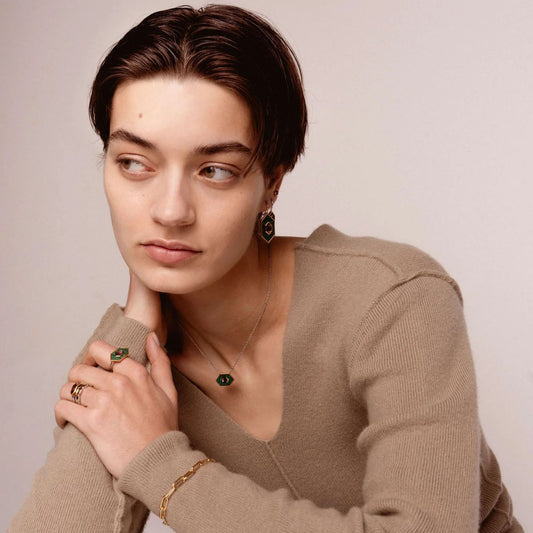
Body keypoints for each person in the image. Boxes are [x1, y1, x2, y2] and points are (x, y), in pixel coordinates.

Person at [9, 4, 523, 532]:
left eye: (214, 171)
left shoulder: (393, 299)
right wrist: (135, 325)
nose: (170, 211)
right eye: (134, 163)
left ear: (271, 184)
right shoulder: (130, 358)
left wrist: (160, 466)